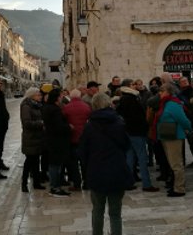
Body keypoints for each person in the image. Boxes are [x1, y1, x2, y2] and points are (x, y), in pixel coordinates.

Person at [79, 92, 133, 235]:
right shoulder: (119, 122)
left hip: (96, 172)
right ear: (109, 104)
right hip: (116, 171)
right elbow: (126, 145)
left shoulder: (89, 126)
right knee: (115, 213)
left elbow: (83, 151)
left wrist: (88, 168)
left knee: (97, 210)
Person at [116, 85, 158, 192]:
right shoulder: (134, 101)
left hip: (127, 132)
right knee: (142, 158)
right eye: (133, 85)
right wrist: (145, 128)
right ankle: (147, 184)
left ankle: (128, 182)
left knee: (129, 157)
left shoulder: (122, 101)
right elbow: (139, 118)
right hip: (137, 133)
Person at [156, 82, 193, 197]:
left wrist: (189, 129)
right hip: (166, 136)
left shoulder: (173, 104)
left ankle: (179, 188)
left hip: (174, 136)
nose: (159, 93)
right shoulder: (165, 103)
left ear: (168, 92)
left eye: (162, 91)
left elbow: (183, 120)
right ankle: (176, 185)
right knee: (173, 163)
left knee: (176, 163)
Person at [41, 90, 72, 197]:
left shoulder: (46, 107)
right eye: (60, 96)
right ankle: (55, 187)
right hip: (56, 140)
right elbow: (58, 126)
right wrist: (69, 127)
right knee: (55, 165)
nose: (61, 98)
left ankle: (55, 186)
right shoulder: (54, 110)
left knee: (54, 164)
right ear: (56, 98)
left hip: (50, 139)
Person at [62, 88, 91, 191]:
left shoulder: (66, 107)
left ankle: (77, 184)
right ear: (79, 96)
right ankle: (87, 183)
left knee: (73, 163)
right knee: (85, 162)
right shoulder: (86, 106)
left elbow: (63, 121)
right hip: (84, 138)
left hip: (72, 138)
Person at [20, 86, 46, 192]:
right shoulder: (26, 106)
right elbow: (26, 123)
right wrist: (41, 123)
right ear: (32, 96)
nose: (40, 97)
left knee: (36, 162)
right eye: (38, 95)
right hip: (30, 138)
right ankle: (24, 183)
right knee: (29, 162)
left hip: (37, 137)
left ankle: (36, 183)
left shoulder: (36, 105)